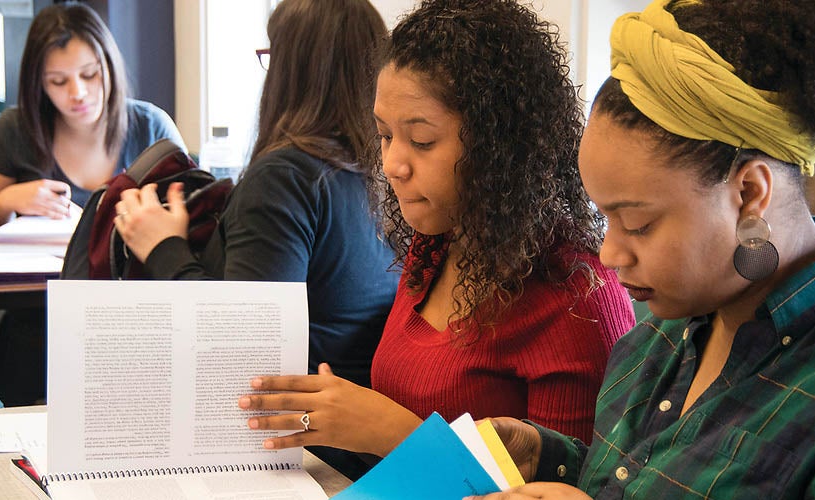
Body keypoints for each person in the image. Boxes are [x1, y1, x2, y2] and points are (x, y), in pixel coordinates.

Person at [469, 0, 815, 498]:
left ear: (749, 192)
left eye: (638, 224)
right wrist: (550, 459)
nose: (609, 253)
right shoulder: (660, 335)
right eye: (606, 218)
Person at [238, 0, 636, 466]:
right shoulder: (436, 246)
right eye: (385, 135)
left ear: (499, 146)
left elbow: (569, 487)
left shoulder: (574, 296)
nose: (391, 165)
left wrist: (392, 433)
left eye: (422, 141)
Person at [113, 0, 395, 391]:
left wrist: (163, 247)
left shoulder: (286, 178)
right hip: (361, 413)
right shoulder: (385, 171)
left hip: (298, 430)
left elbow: (243, 341)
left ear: (287, 70)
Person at [0, 2, 185, 406]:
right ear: (38, 84)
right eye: (58, 81)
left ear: (110, 67)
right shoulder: (15, 130)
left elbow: (189, 218)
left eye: (89, 75)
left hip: (134, 315)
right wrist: (6, 201)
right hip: (37, 315)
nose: (78, 93)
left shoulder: (150, 126)